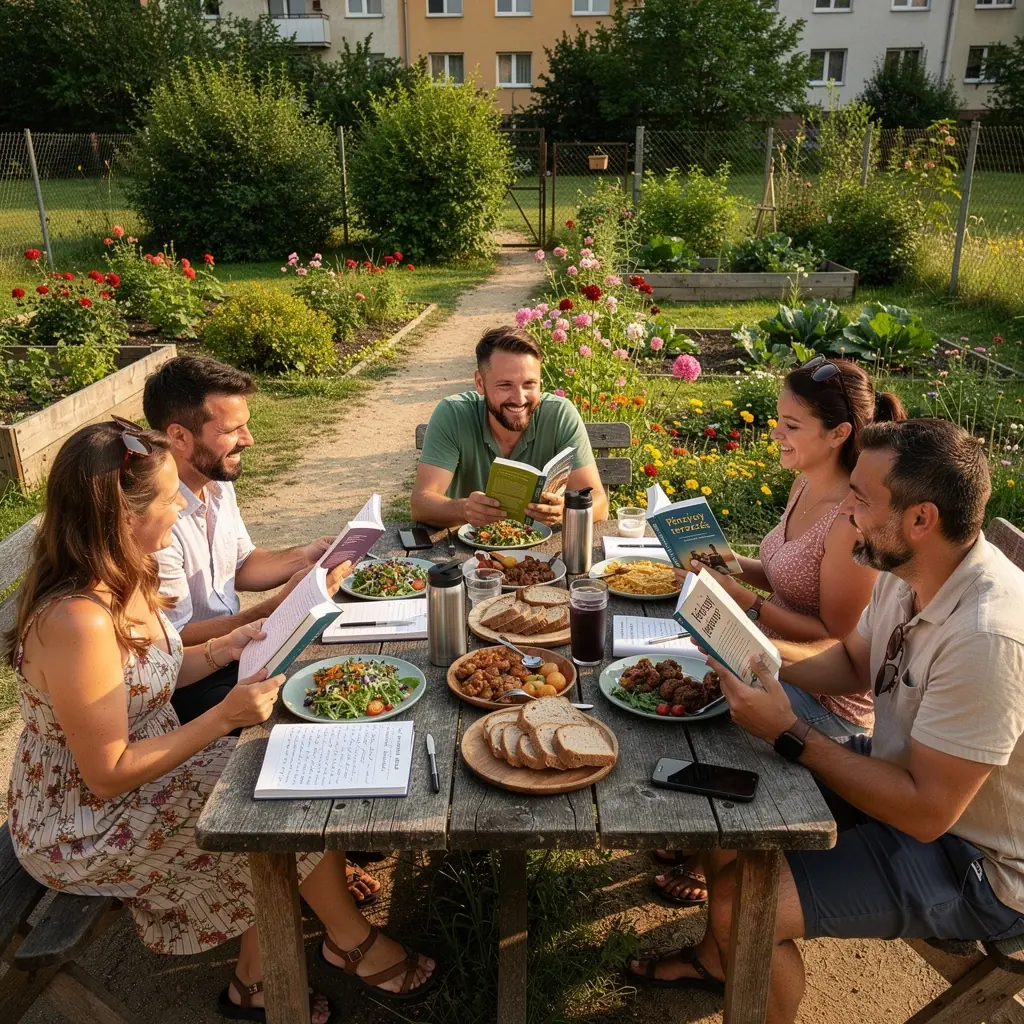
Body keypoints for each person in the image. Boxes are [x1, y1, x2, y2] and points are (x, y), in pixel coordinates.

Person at [5, 423, 437, 1023]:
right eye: (166, 499)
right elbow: (106, 774)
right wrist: (224, 716)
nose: (180, 504)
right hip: (84, 822)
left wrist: (225, 647)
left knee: (294, 773)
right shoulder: (79, 620)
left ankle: (265, 975)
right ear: (123, 516)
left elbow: (150, 674)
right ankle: (345, 945)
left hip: (142, 775)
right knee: (272, 805)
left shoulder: (125, 572)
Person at [629, 419, 1024, 1024]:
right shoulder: (913, 568)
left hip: (978, 861)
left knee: (738, 905)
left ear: (921, 519)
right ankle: (719, 966)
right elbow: (851, 661)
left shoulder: (986, 636)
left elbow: (926, 812)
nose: (846, 515)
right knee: (722, 794)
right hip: (905, 774)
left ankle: (735, 957)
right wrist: (749, 648)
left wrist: (790, 732)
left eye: (861, 501)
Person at [655, 359, 906, 905]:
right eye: (777, 419)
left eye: (792, 426)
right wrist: (725, 564)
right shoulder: (806, 482)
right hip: (780, 655)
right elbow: (786, 571)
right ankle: (703, 834)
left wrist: (746, 604)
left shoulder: (849, 518)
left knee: (716, 706)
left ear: (839, 433)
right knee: (688, 676)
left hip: (829, 700)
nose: (776, 434)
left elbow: (835, 634)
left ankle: (719, 846)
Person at [143, 356, 381, 906]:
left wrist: (309, 556)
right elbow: (176, 643)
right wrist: (270, 610)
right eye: (231, 429)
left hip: (230, 652)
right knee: (313, 711)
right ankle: (320, 853)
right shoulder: (148, 515)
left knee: (344, 675)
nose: (248, 439)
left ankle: (339, 843)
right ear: (179, 435)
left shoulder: (216, 480)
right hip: (192, 677)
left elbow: (242, 563)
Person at [410, 326, 608, 528]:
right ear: (480, 383)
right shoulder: (453, 414)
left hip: (543, 551)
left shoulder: (560, 414)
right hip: (466, 550)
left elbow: (599, 503)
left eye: (529, 384)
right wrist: (463, 509)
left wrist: (565, 511)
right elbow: (421, 504)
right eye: (505, 385)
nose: (519, 399)